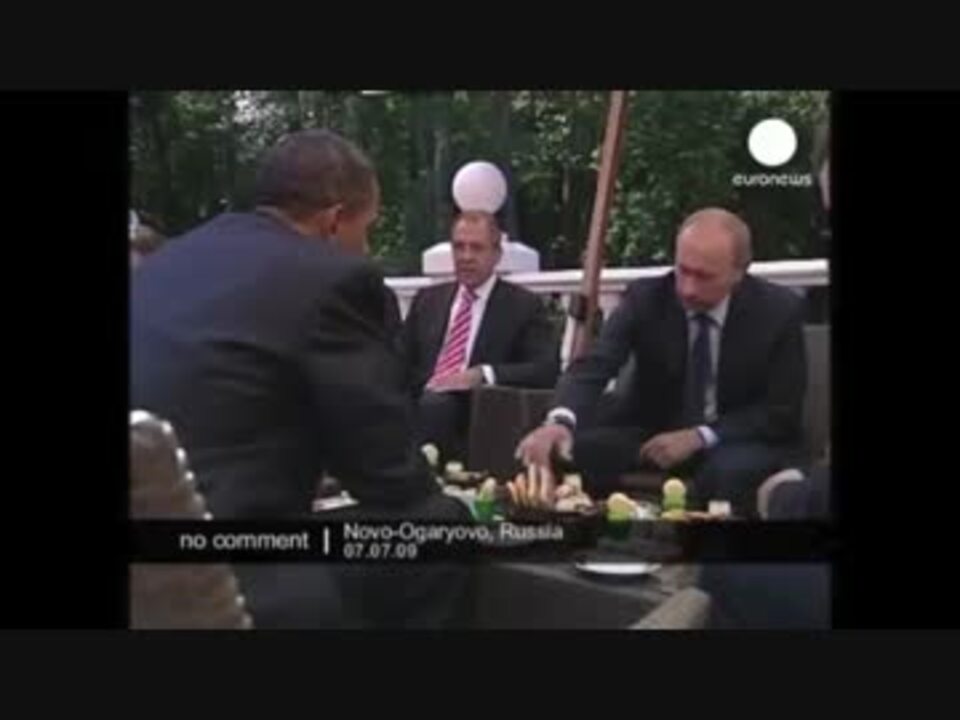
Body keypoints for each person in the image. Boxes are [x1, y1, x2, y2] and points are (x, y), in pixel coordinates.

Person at [130, 129, 471, 628]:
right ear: (333, 222)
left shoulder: (166, 263)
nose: (367, 248)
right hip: (224, 574)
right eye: (368, 229)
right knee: (441, 525)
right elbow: (389, 475)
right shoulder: (331, 279)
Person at [517, 207, 807, 518]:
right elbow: (595, 364)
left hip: (733, 438)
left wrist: (700, 436)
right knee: (565, 450)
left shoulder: (778, 312)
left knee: (730, 473)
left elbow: (780, 412)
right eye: (683, 270)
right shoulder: (646, 298)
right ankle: (584, 533)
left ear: (739, 273)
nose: (688, 289)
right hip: (653, 431)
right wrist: (559, 422)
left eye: (704, 277)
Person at [402, 210, 560, 464]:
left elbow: (545, 369)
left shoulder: (522, 306)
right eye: (459, 247)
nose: (466, 257)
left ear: (497, 254)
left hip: (478, 409)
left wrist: (483, 374)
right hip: (421, 400)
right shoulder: (428, 300)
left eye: (476, 248)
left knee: (436, 406)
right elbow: (400, 358)